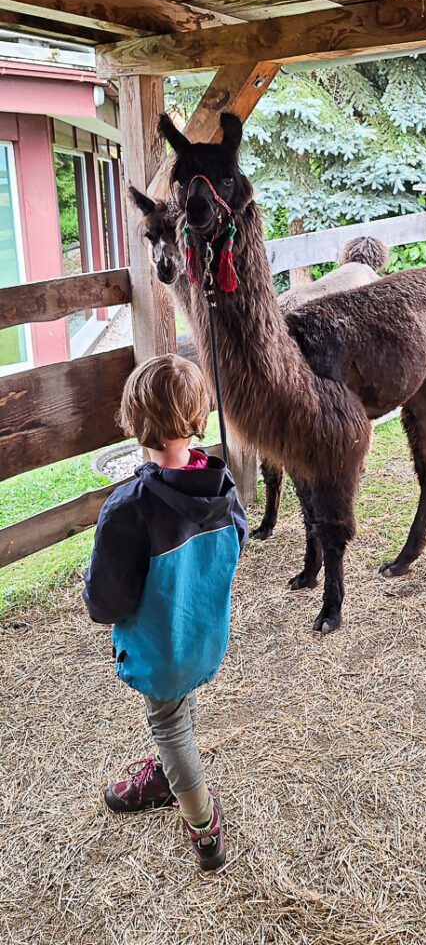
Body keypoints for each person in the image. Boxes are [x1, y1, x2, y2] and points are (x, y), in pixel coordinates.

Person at [83, 354, 248, 872]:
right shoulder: (221, 487)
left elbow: (104, 602)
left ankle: (204, 828)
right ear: (199, 418)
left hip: (163, 649)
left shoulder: (128, 507)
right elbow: (235, 544)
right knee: (177, 714)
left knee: (169, 724)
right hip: (203, 634)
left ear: (135, 425)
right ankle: (170, 773)